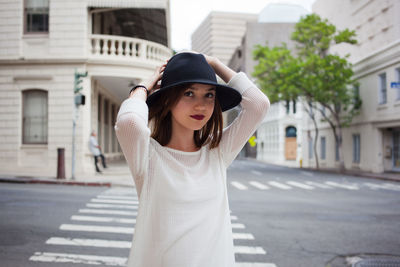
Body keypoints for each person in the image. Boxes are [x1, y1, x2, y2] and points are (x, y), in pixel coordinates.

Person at [115, 52, 270, 267]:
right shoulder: (148, 156)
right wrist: (144, 86)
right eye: (189, 93)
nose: (201, 105)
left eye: (209, 95)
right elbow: (129, 122)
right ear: (167, 99)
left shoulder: (217, 152)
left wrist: (214, 63)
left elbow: (259, 104)